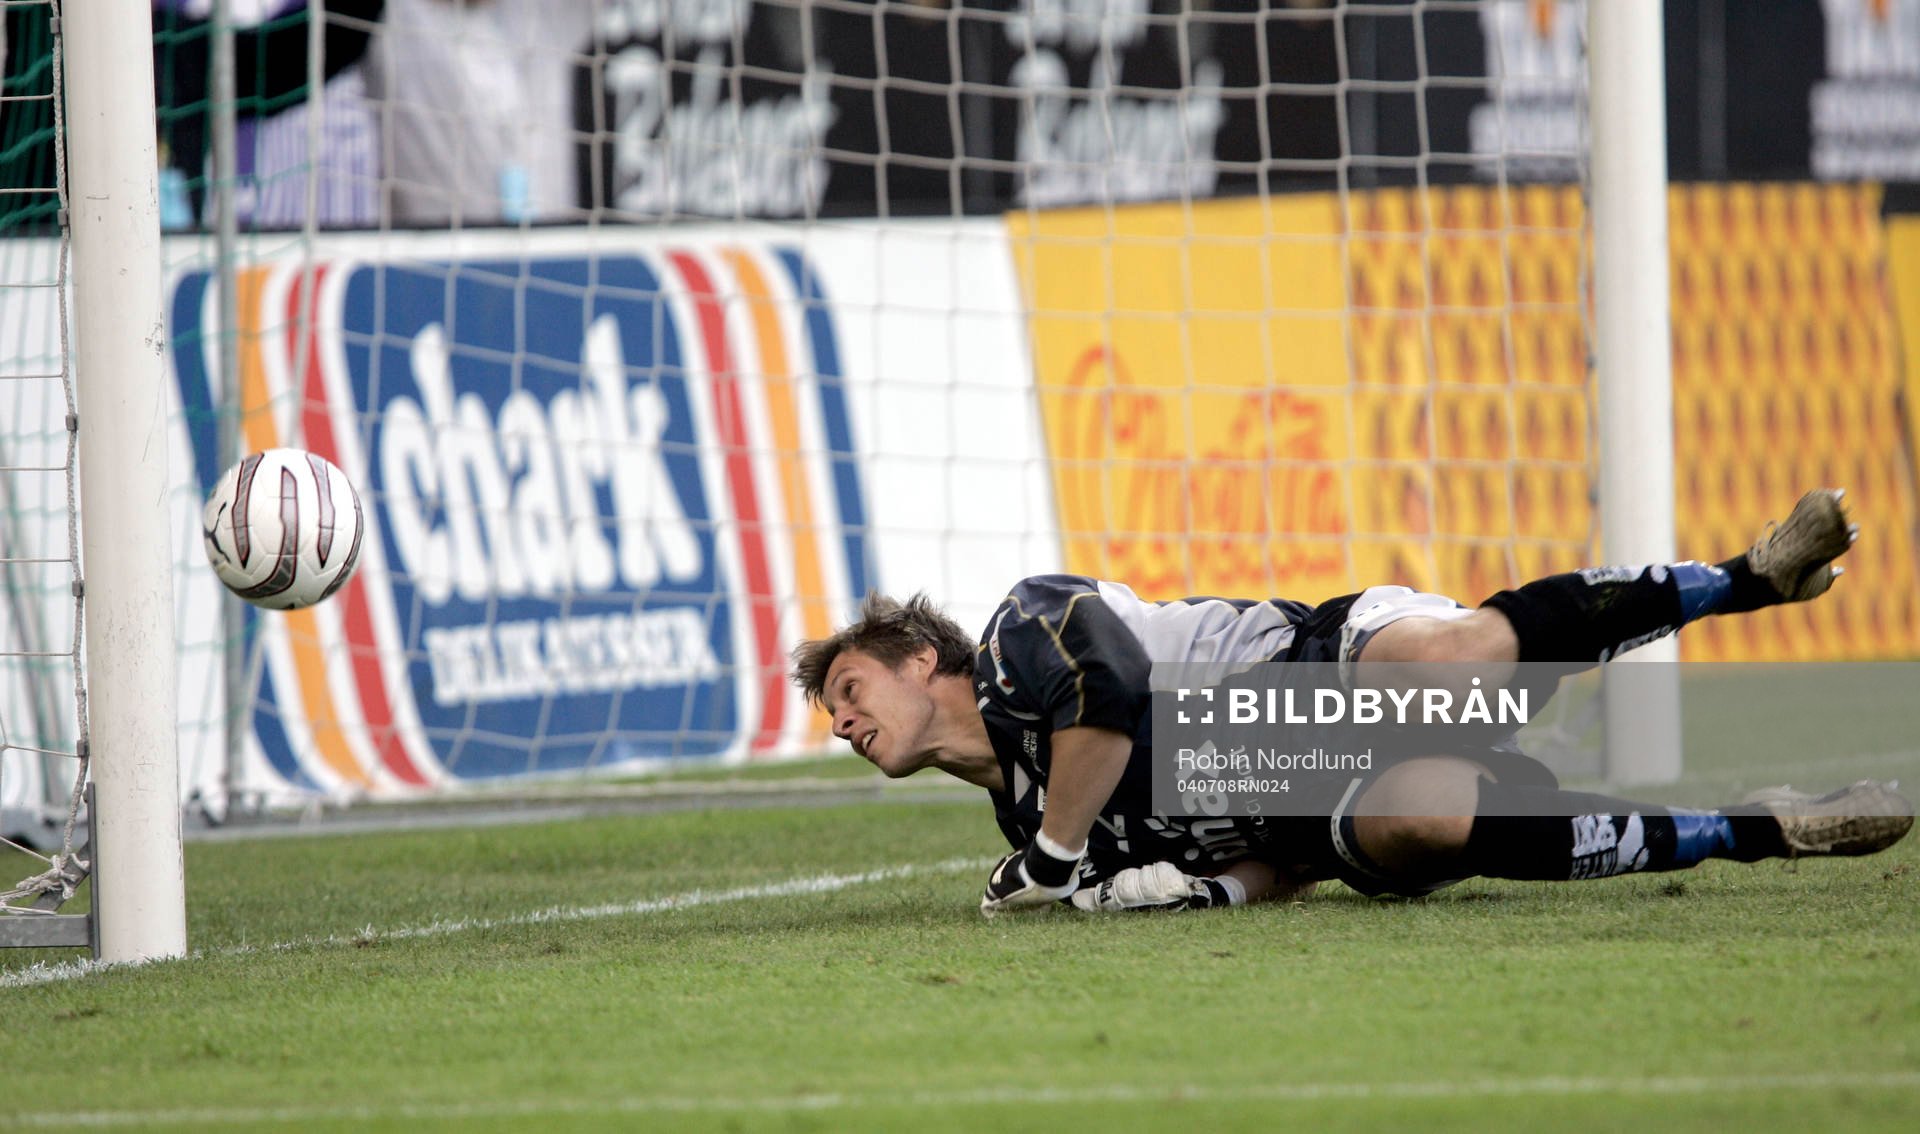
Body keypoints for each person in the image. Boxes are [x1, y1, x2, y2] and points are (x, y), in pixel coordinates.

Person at [790, 489, 1914, 915]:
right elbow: (1259, 858)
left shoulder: (1016, 631)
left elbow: (1122, 692)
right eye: (831, 719)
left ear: (917, 654)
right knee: (1423, 819)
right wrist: (1215, 897)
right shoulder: (1026, 814)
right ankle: (1757, 830)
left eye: (848, 688)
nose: (842, 723)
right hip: (1309, 806)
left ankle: (1747, 578)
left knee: (1449, 665)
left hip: (1312, 672)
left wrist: (1050, 859)